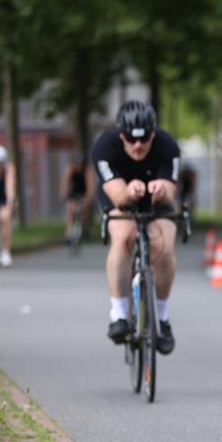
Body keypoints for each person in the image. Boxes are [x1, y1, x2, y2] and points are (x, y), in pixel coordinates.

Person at [91, 100, 181, 352]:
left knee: (163, 248)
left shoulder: (167, 145)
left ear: (153, 133)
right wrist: (129, 192)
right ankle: (119, 313)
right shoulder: (104, 147)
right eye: (131, 139)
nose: (139, 145)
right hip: (119, 194)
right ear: (122, 135)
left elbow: (170, 194)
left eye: (145, 139)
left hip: (155, 201)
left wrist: (161, 190)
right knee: (123, 238)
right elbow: (118, 197)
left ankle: (162, 318)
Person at [60, 153, 95, 241]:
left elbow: (91, 185)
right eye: (77, 164)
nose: (79, 166)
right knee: (69, 208)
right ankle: (69, 230)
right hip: (73, 192)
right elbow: (64, 183)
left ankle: (85, 226)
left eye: (81, 164)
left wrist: (89, 197)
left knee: (85, 207)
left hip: (84, 192)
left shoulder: (87, 171)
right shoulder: (69, 170)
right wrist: (64, 196)